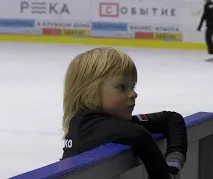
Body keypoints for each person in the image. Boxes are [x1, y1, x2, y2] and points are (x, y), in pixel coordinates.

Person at [61, 47, 188, 179]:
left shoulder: (114, 126)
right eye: (122, 87)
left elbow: (171, 118)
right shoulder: (84, 126)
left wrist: (174, 160)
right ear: (90, 90)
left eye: (132, 86)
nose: (134, 94)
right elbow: (137, 134)